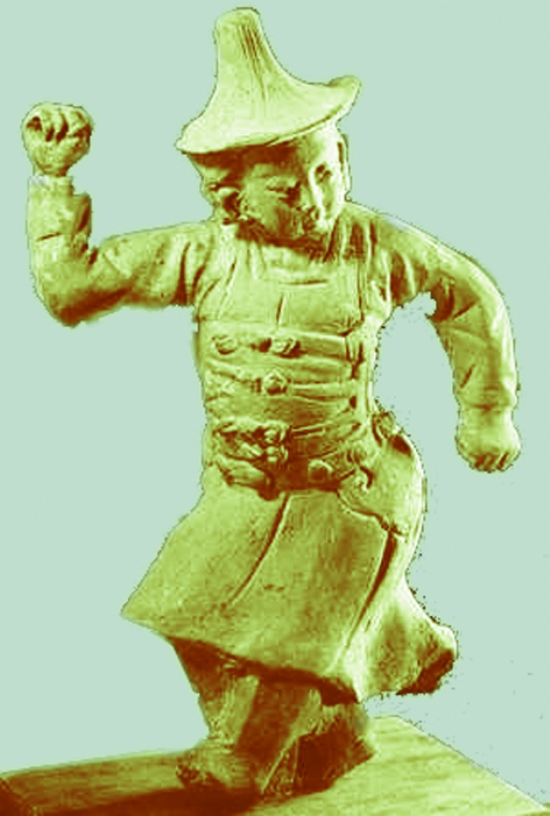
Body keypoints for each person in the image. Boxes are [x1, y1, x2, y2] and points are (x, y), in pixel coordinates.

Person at [22, 7, 520, 808]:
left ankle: (246, 759)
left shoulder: (377, 248)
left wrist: (485, 409)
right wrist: (53, 181)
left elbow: (469, 298)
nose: (316, 200)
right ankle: (341, 718)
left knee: (288, 639)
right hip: (243, 490)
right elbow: (70, 287)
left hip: (350, 488)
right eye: (287, 189)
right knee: (189, 612)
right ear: (231, 195)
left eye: (327, 172)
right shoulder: (204, 253)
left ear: (342, 157)